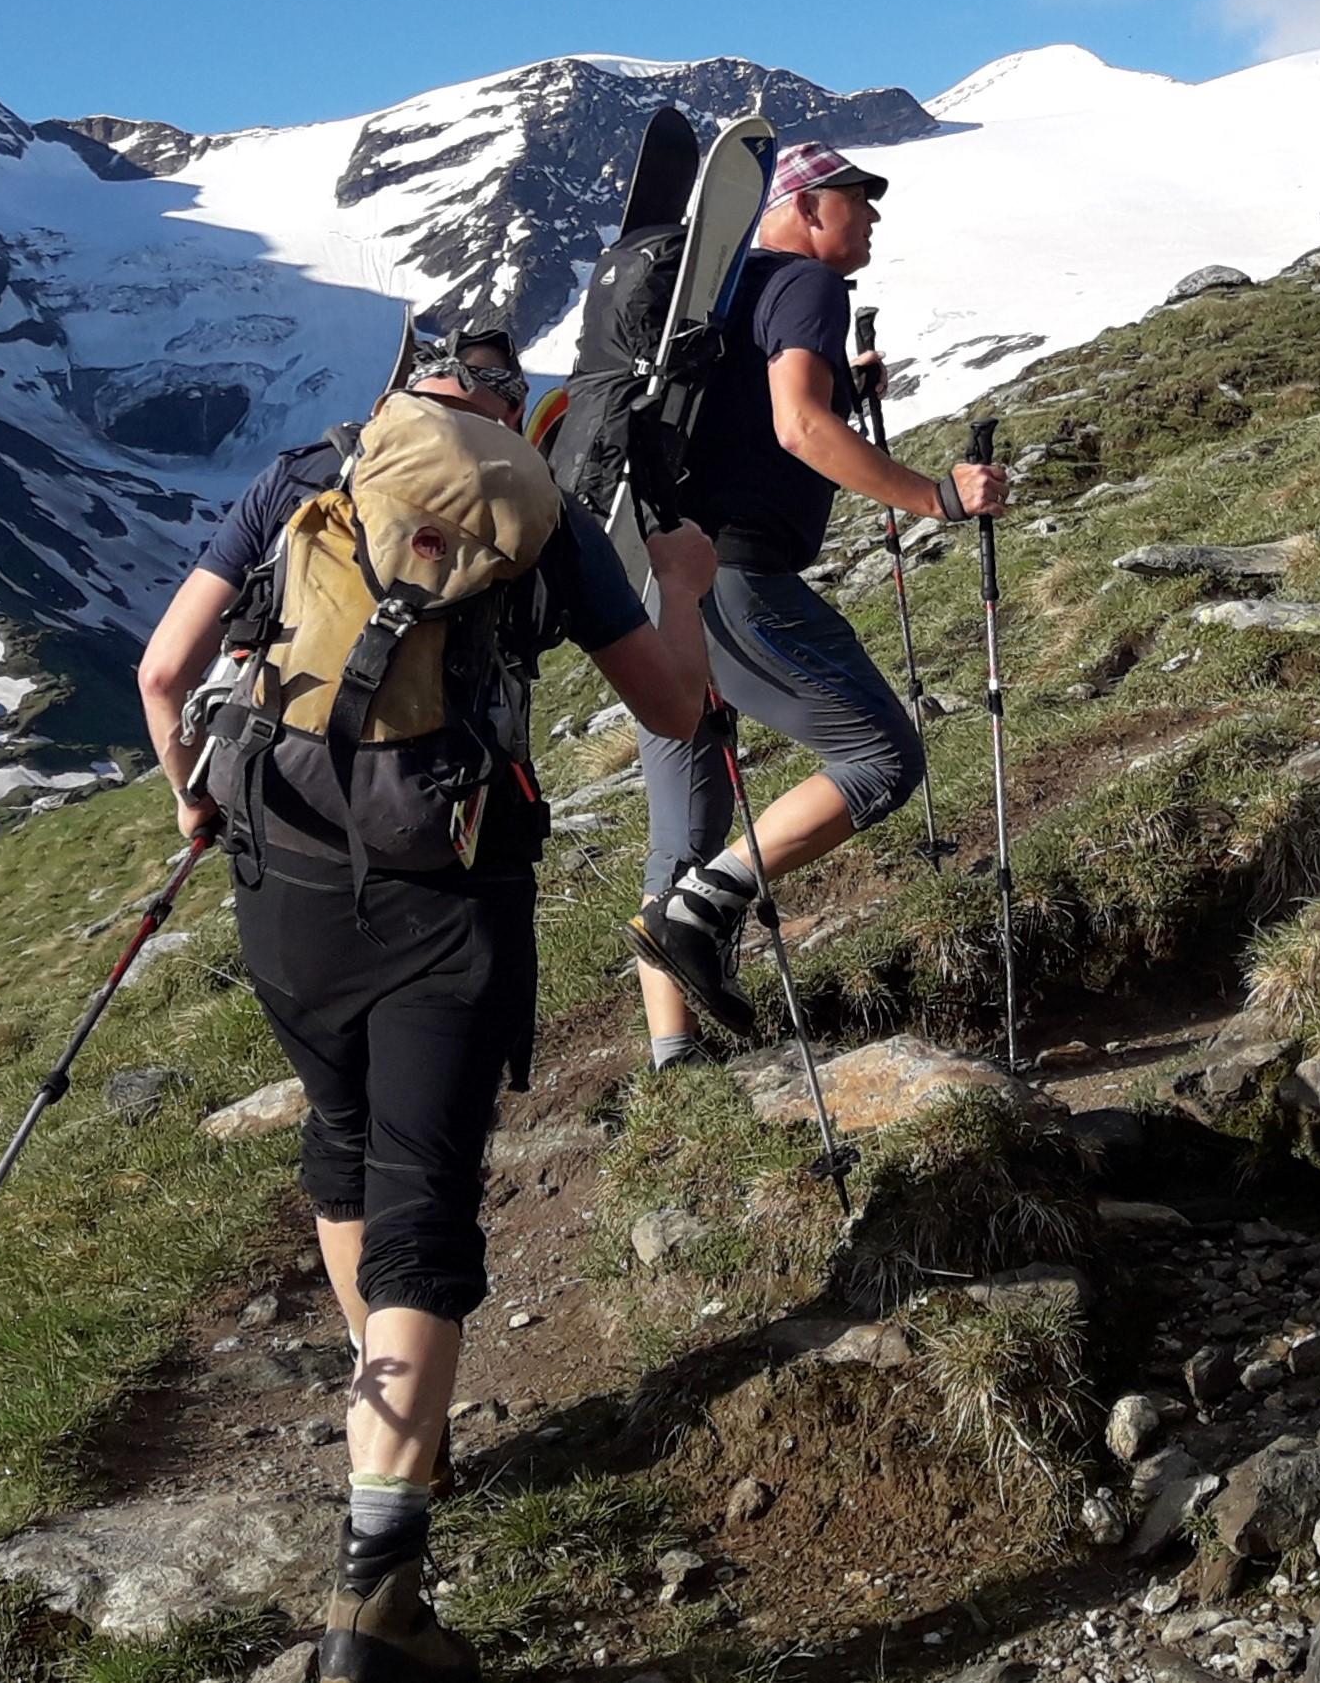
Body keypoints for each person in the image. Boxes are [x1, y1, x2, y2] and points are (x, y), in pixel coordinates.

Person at [137, 326, 715, 1683]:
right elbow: (674, 710)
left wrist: (195, 804)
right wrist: (683, 585)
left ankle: (397, 1422)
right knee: (425, 1199)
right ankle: (377, 1596)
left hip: (281, 868)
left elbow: (165, 673)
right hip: (449, 885)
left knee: (340, 1136)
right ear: (511, 408)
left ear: (403, 389)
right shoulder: (544, 513)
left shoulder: (305, 478)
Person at [624, 141, 1009, 1058]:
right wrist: (937, 497)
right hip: (738, 577)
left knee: (685, 830)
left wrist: (840, 378)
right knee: (879, 757)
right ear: (802, 207)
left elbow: (751, 412)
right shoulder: (806, 283)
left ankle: (676, 1060)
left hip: (658, 587)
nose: (870, 215)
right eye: (854, 199)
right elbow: (799, 425)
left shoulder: (722, 295)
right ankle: (703, 915)